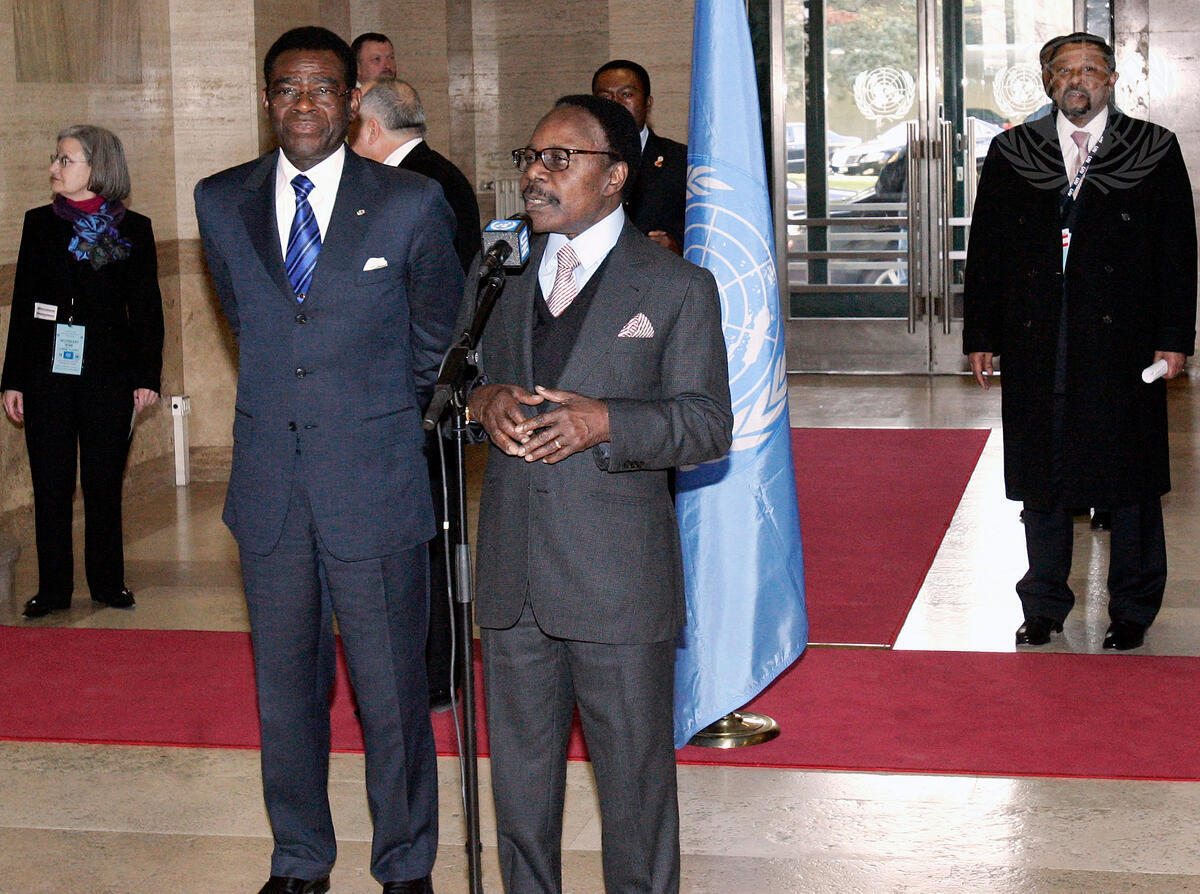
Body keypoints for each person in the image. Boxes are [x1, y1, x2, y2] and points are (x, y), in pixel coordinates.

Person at [193, 26, 461, 894]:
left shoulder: (410, 202)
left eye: (321, 88)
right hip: (269, 489)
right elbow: (250, 321)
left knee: (391, 698)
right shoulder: (220, 200)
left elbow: (438, 342)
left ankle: (405, 865)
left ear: (350, 102)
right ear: (266, 100)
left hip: (374, 486)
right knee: (285, 698)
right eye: (286, 88)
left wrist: (373, 423)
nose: (303, 104)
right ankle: (300, 859)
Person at [466, 94, 732, 893]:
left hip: (616, 583)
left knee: (634, 795)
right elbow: (458, 380)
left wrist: (607, 421)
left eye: (560, 159)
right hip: (512, 578)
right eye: (530, 157)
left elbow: (707, 425)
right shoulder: (497, 273)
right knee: (519, 796)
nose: (535, 175)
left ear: (614, 176)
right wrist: (484, 403)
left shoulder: (676, 285)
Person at [964, 32, 1197, 652]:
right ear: (1048, 82)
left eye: (1090, 70)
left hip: (1125, 341)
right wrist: (981, 332)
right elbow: (987, 248)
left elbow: (1178, 250)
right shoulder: (1014, 151)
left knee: (1130, 477)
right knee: (1041, 474)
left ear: (1111, 80)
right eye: (1065, 71)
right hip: (1038, 336)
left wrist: (1174, 337)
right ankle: (1043, 605)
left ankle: (1132, 609)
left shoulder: (1152, 148)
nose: (1078, 80)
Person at [350, 75, 481, 710]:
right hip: (410, 393)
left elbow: (435, 306)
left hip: (420, 395)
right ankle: (428, 669)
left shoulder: (421, 187)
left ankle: (434, 673)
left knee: (428, 538)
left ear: (371, 128)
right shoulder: (436, 174)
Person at [2, 124, 163, 620]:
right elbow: (24, 304)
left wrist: (147, 377)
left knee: (102, 483)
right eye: (56, 158)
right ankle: (53, 588)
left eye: (65, 159)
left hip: (109, 375)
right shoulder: (38, 223)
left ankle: (108, 582)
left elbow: (147, 309)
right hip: (46, 372)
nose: (54, 167)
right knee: (51, 484)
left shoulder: (133, 228)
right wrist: (12, 379)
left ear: (97, 168)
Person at [351, 77, 481, 273]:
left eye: (351, 125)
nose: (346, 137)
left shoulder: (408, 186)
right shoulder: (443, 173)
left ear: (372, 130)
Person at [592, 59, 687, 254]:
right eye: (605, 96)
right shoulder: (578, 160)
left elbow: (704, 225)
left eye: (626, 94)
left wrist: (677, 244)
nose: (616, 104)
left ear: (647, 102)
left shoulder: (681, 160)